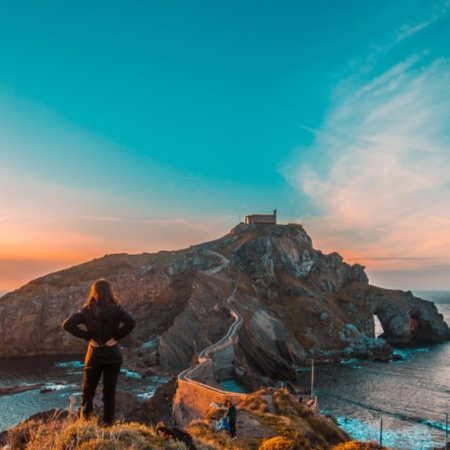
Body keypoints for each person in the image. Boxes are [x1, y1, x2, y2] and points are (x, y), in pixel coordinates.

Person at [62, 278, 136, 425]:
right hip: (113, 356)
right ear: (110, 292)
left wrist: (87, 336)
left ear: (94, 293)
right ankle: (108, 426)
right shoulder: (117, 310)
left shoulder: (86, 311)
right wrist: (115, 338)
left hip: (94, 356)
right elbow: (131, 322)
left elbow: (67, 325)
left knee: (87, 394)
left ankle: (86, 425)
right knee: (109, 395)